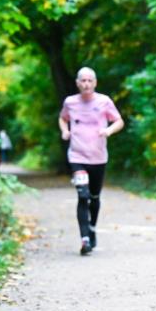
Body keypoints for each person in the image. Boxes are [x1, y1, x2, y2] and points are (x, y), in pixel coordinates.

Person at [59, 67, 125, 255]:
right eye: (83, 80)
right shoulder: (70, 102)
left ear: (95, 83)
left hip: (98, 158)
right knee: (83, 195)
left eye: (90, 80)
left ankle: (92, 228)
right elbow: (62, 118)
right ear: (77, 83)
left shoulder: (104, 101)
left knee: (94, 197)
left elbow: (119, 121)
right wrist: (65, 131)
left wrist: (108, 130)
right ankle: (85, 239)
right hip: (77, 156)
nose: (86, 84)